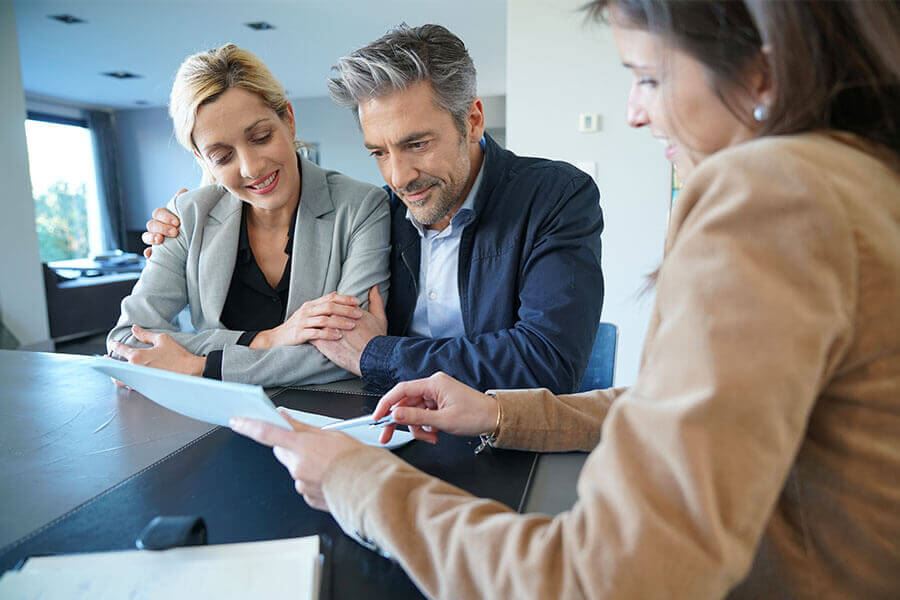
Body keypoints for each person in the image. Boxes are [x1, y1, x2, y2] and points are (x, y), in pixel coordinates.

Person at [230, 1, 900, 597]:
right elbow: (672, 402)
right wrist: (495, 410)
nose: (634, 111)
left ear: (763, 71)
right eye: (379, 151)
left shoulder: (770, 195)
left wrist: (359, 483)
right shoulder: (854, 180)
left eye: (648, 77)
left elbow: (607, 577)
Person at [143, 24, 605, 394]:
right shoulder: (382, 212)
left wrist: (378, 354)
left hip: (506, 438)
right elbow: (323, 346)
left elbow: (549, 361)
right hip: (390, 424)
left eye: (417, 144)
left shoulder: (556, 196)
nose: (399, 177)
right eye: (379, 153)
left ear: (472, 120)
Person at [108, 44, 390, 386]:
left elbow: (352, 351)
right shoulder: (188, 216)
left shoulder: (362, 206)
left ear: (288, 119)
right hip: (212, 418)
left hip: (326, 419)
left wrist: (202, 366)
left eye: (260, 137)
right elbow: (126, 341)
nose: (251, 167)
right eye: (222, 156)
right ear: (201, 158)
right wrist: (265, 339)